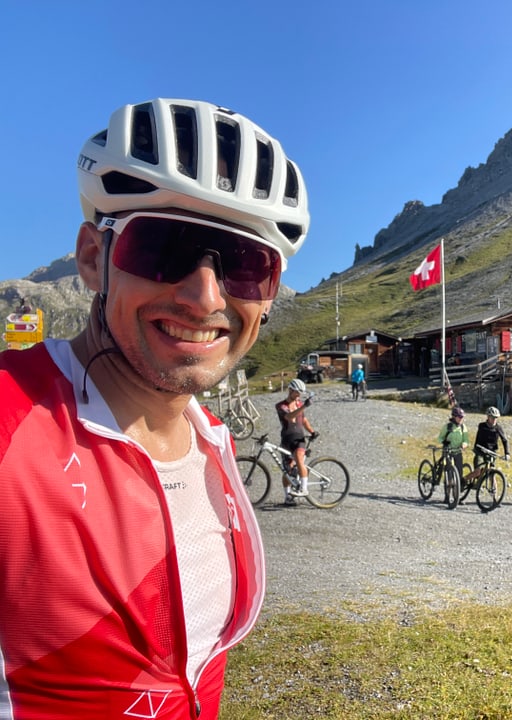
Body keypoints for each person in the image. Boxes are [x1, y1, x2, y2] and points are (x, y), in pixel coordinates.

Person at [0, 98, 309, 719]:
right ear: (93, 258)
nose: (204, 297)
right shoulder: (10, 422)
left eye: (248, 266)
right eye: (164, 247)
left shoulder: (211, 439)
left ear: (269, 292)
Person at [275, 378, 318, 505]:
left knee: (299, 458)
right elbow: (289, 417)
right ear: (290, 390)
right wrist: (304, 405)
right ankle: (287, 497)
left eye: (300, 393)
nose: (298, 395)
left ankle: (304, 489)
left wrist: (312, 431)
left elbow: (303, 419)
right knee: (287, 471)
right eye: (297, 392)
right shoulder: (280, 406)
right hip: (286, 439)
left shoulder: (299, 403)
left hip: (299, 439)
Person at [464, 406, 510, 484]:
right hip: (480, 451)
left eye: (496, 418)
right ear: (488, 417)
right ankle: (463, 480)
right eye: (492, 417)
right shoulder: (482, 426)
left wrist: (507, 453)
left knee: (492, 473)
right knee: (478, 471)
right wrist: (476, 448)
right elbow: (478, 438)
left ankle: (494, 493)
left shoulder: (498, 428)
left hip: (492, 453)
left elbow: (504, 440)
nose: (494, 420)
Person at [438, 405, 470, 479]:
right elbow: (440, 438)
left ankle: (458, 487)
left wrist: (464, 444)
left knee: (459, 472)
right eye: (459, 417)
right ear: (454, 417)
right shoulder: (448, 427)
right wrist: (444, 442)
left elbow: (466, 440)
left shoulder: (463, 427)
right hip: (448, 451)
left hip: (458, 451)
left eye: (462, 417)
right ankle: (448, 486)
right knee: (449, 471)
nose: (461, 419)